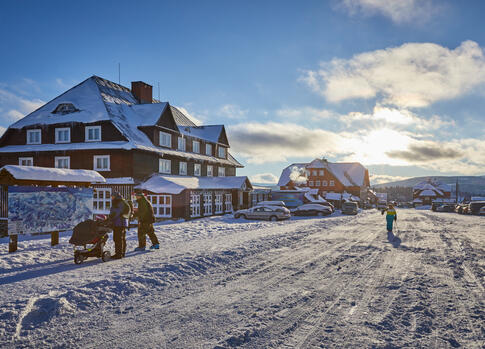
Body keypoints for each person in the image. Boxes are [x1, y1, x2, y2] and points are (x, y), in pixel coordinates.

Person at [109, 191, 131, 259]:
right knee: (121, 238)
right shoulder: (121, 201)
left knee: (117, 238)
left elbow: (117, 212)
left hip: (119, 222)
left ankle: (119, 254)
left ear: (115, 196)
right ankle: (121, 253)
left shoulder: (119, 202)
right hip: (121, 222)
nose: (111, 198)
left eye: (112, 196)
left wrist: (110, 217)